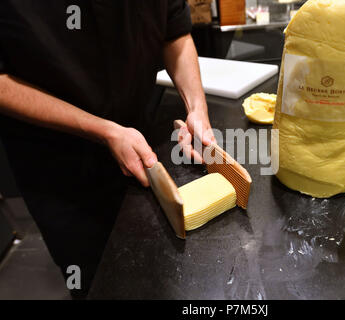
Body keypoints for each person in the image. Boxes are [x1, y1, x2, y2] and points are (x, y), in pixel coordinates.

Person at [0, 0, 215, 298]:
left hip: (141, 137)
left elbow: (175, 33)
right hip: (61, 166)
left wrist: (197, 108)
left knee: (162, 268)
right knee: (100, 281)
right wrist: (103, 130)